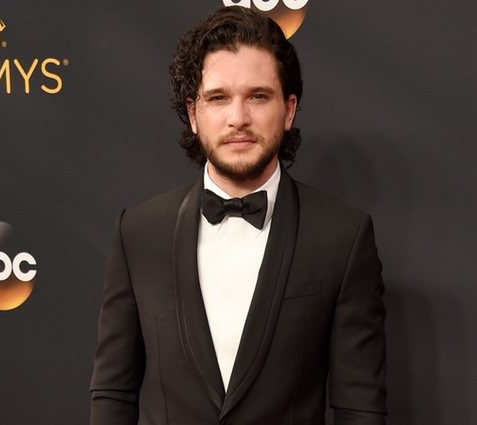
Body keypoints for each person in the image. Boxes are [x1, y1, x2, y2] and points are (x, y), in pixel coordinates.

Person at [90, 6, 386, 425]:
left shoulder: (342, 236)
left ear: (288, 109)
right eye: (218, 98)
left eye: (258, 96)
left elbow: (360, 407)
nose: (238, 118)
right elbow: (113, 394)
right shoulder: (137, 232)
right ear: (193, 114)